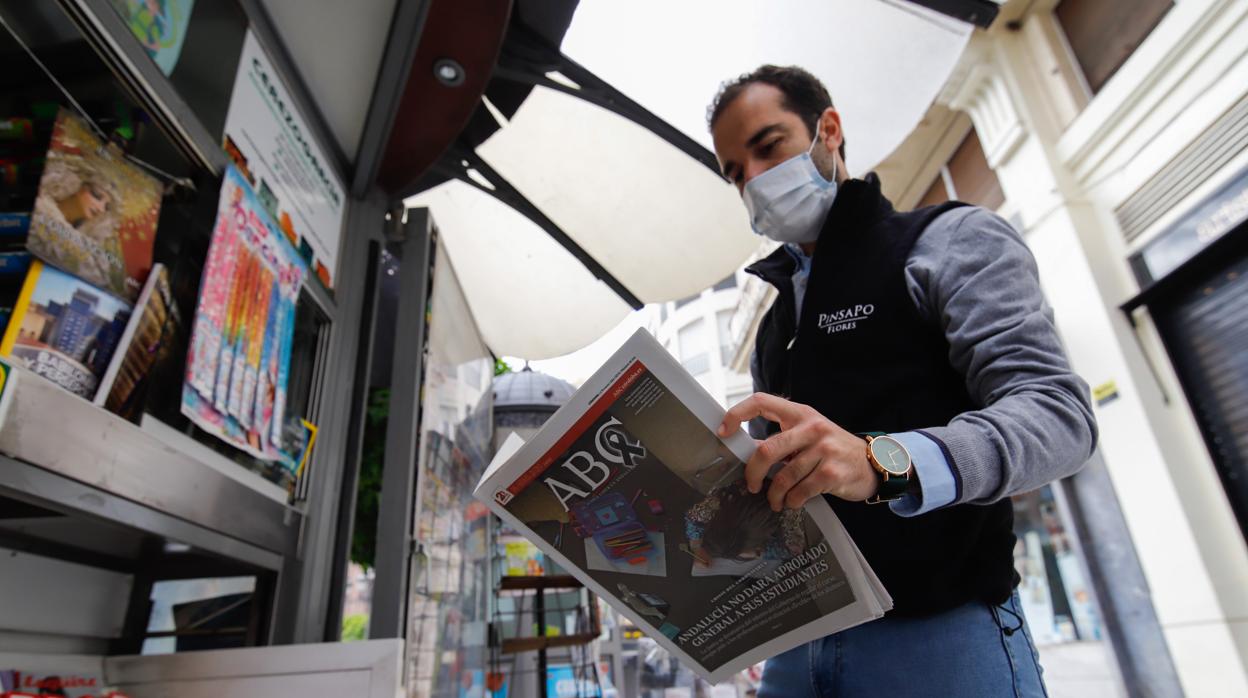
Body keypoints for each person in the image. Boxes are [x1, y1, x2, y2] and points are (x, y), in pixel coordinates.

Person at [707, 65, 1097, 696]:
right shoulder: (773, 329)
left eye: (768, 145)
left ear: (827, 132)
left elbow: (1058, 415)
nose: (753, 178)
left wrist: (883, 463)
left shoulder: (948, 242)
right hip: (795, 649)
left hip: (942, 636)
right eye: (733, 171)